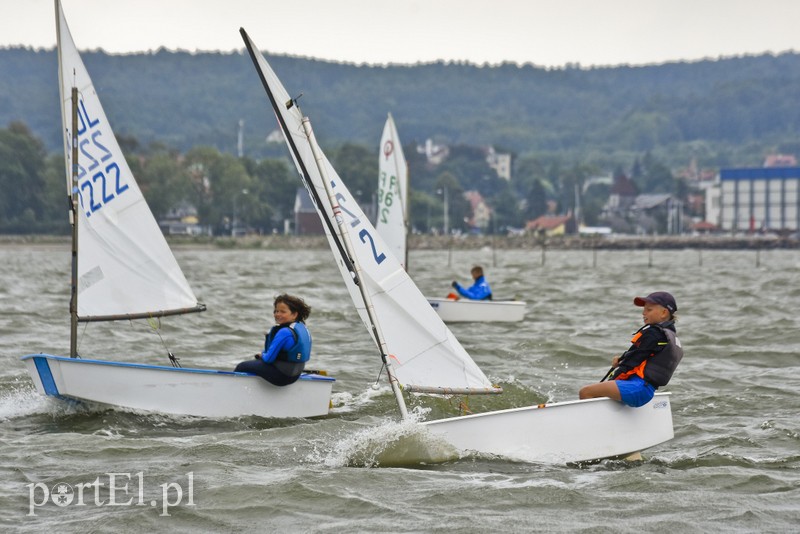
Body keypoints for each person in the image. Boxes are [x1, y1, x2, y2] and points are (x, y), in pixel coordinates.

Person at [578, 291, 683, 408]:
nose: (643, 313)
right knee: (598, 393)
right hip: (647, 390)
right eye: (644, 309)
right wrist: (622, 360)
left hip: (637, 388)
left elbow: (632, 362)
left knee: (586, 392)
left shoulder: (654, 333)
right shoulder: (669, 335)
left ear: (664, 313)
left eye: (649, 310)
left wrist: (613, 378)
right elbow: (644, 357)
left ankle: (591, 425)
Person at [234, 294, 312, 386]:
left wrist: (262, 355)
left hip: (282, 376)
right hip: (295, 375)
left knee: (242, 366)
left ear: (294, 314)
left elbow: (268, 359)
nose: (277, 314)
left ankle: (234, 392)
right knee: (256, 364)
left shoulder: (284, 332)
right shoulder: (302, 328)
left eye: (282, 312)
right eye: (276, 311)